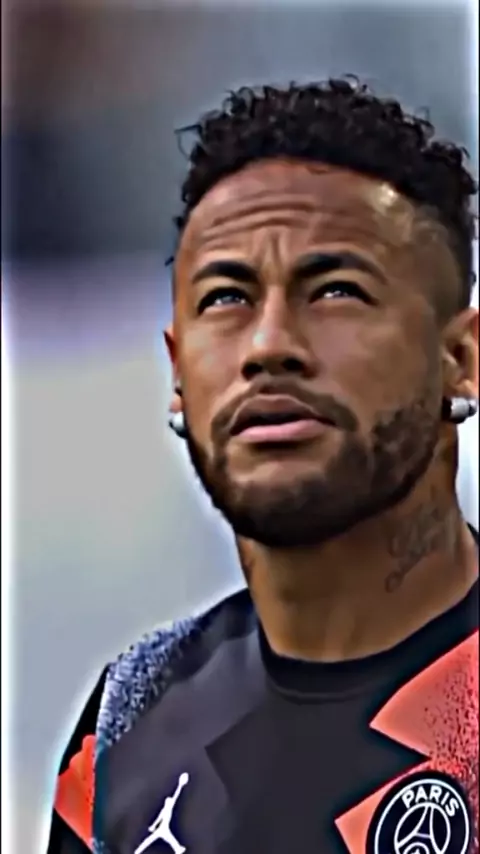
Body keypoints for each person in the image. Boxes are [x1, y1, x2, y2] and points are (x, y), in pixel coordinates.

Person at [46, 78, 479, 854]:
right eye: (225, 298)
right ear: (177, 374)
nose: (268, 345)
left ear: (461, 359)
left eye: (336, 290)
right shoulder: (126, 730)